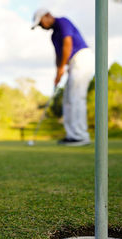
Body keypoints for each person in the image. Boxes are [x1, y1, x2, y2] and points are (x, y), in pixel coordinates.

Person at [32, 9, 94, 146]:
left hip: (82, 58)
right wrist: (57, 74)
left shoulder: (62, 22)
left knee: (76, 97)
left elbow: (68, 44)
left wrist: (61, 68)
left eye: (40, 23)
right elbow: (59, 56)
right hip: (72, 63)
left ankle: (80, 135)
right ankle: (72, 134)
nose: (41, 27)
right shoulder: (53, 36)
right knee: (67, 98)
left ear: (46, 16)